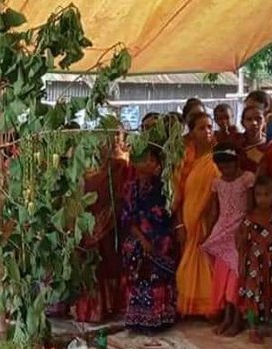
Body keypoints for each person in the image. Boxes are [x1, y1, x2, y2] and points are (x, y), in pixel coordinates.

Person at [74, 131, 132, 323]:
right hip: (93, 224)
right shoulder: (86, 169)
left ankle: (107, 308)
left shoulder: (120, 167)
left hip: (110, 224)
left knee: (108, 263)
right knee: (97, 265)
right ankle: (97, 310)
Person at [121, 144, 177, 330]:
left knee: (160, 277)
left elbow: (172, 210)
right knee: (137, 268)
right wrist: (143, 239)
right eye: (147, 159)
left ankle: (160, 317)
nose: (152, 163)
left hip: (161, 238)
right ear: (136, 163)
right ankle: (138, 318)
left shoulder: (164, 185)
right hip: (139, 238)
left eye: (154, 159)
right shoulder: (130, 188)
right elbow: (128, 218)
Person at [202, 143, 254, 336]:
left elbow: (250, 209)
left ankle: (237, 319)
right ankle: (226, 317)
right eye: (221, 167)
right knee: (223, 278)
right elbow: (214, 210)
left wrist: (245, 231)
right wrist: (209, 233)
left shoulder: (247, 179)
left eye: (229, 166)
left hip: (240, 232)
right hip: (222, 234)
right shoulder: (217, 182)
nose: (226, 171)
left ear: (237, 161)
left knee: (236, 278)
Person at [174, 112, 219, 318]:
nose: (207, 131)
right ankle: (190, 306)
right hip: (188, 218)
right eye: (201, 128)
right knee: (187, 264)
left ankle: (209, 307)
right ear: (191, 133)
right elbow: (177, 195)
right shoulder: (185, 159)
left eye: (210, 127)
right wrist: (179, 225)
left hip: (209, 219)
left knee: (207, 263)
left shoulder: (219, 157)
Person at [238, 175, 272, 343]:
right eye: (258, 194)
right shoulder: (249, 217)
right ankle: (253, 329)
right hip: (254, 263)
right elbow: (242, 242)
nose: (262, 199)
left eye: (267, 194)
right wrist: (241, 263)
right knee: (253, 293)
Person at [239, 106, 267, 173]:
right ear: (242, 123)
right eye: (249, 119)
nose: (254, 123)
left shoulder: (271, 145)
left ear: (264, 121)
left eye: (258, 119)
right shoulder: (237, 143)